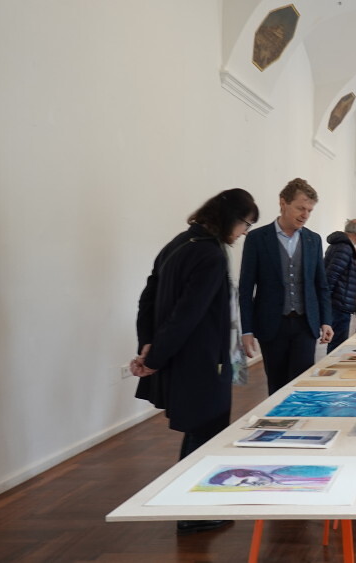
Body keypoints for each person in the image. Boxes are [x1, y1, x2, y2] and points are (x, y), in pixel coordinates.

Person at [132, 188, 258, 535]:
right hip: (203, 361)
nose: (244, 232)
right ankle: (190, 511)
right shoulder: (210, 254)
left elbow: (147, 301)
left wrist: (148, 346)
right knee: (206, 433)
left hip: (188, 359)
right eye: (245, 224)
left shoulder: (178, 243)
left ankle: (191, 506)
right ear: (230, 219)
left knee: (199, 431)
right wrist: (154, 357)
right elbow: (187, 315)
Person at [239, 178, 334, 395]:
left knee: (302, 385)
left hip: (305, 324)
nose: (305, 215)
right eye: (300, 208)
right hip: (271, 325)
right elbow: (245, 288)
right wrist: (247, 329)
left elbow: (321, 285)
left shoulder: (313, 240)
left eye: (309, 210)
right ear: (283, 203)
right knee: (276, 385)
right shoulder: (257, 239)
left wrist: (326, 320)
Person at [325, 217, 356, 351]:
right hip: (339, 303)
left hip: (339, 301)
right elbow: (332, 276)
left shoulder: (339, 245)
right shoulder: (344, 248)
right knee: (337, 344)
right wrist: (325, 303)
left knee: (337, 342)